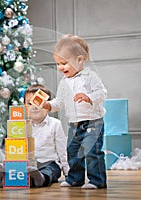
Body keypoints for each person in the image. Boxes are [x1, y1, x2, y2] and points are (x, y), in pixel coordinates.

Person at [42, 34, 107, 189]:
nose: (61, 67)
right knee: (73, 152)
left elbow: (102, 93)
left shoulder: (90, 76)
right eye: (58, 64)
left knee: (92, 153)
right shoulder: (64, 82)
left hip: (93, 122)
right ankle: (75, 179)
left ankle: (97, 180)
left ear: (79, 60)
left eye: (64, 63)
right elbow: (60, 102)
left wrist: (88, 97)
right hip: (74, 124)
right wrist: (48, 105)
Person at [0, 84, 69, 187]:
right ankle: (0, 180)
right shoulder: (20, 126)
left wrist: (68, 173)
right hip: (26, 164)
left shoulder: (55, 124)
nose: (35, 107)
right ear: (24, 106)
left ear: (48, 105)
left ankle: (40, 178)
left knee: (51, 170)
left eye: (39, 102)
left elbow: (62, 150)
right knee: (14, 170)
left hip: (48, 162)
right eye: (29, 103)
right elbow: (13, 148)